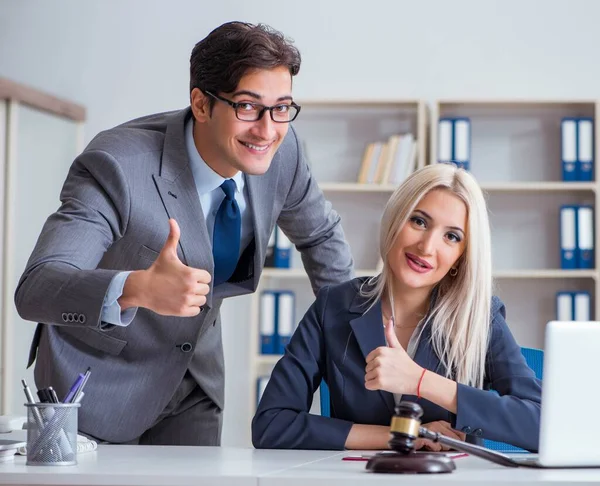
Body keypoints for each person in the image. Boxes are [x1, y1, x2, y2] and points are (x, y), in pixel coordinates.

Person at [14, 21, 353, 446]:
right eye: (247, 106)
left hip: (195, 381)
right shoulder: (118, 165)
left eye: (281, 107)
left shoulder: (282, 155)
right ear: (201, 103)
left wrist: (352, 343)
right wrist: (135, 288)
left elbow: (320, 236)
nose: (268, 130)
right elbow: (38, 287)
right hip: (98, 384)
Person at [252, 163, 542, 452]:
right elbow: (272, 425)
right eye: (419, 221)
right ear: (395, 219)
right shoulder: (333, 307)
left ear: (461, 257)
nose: (427, 247)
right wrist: (404, 433)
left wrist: (420, 381)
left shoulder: (480, 317)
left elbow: (541, 426)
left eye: (451, 236)